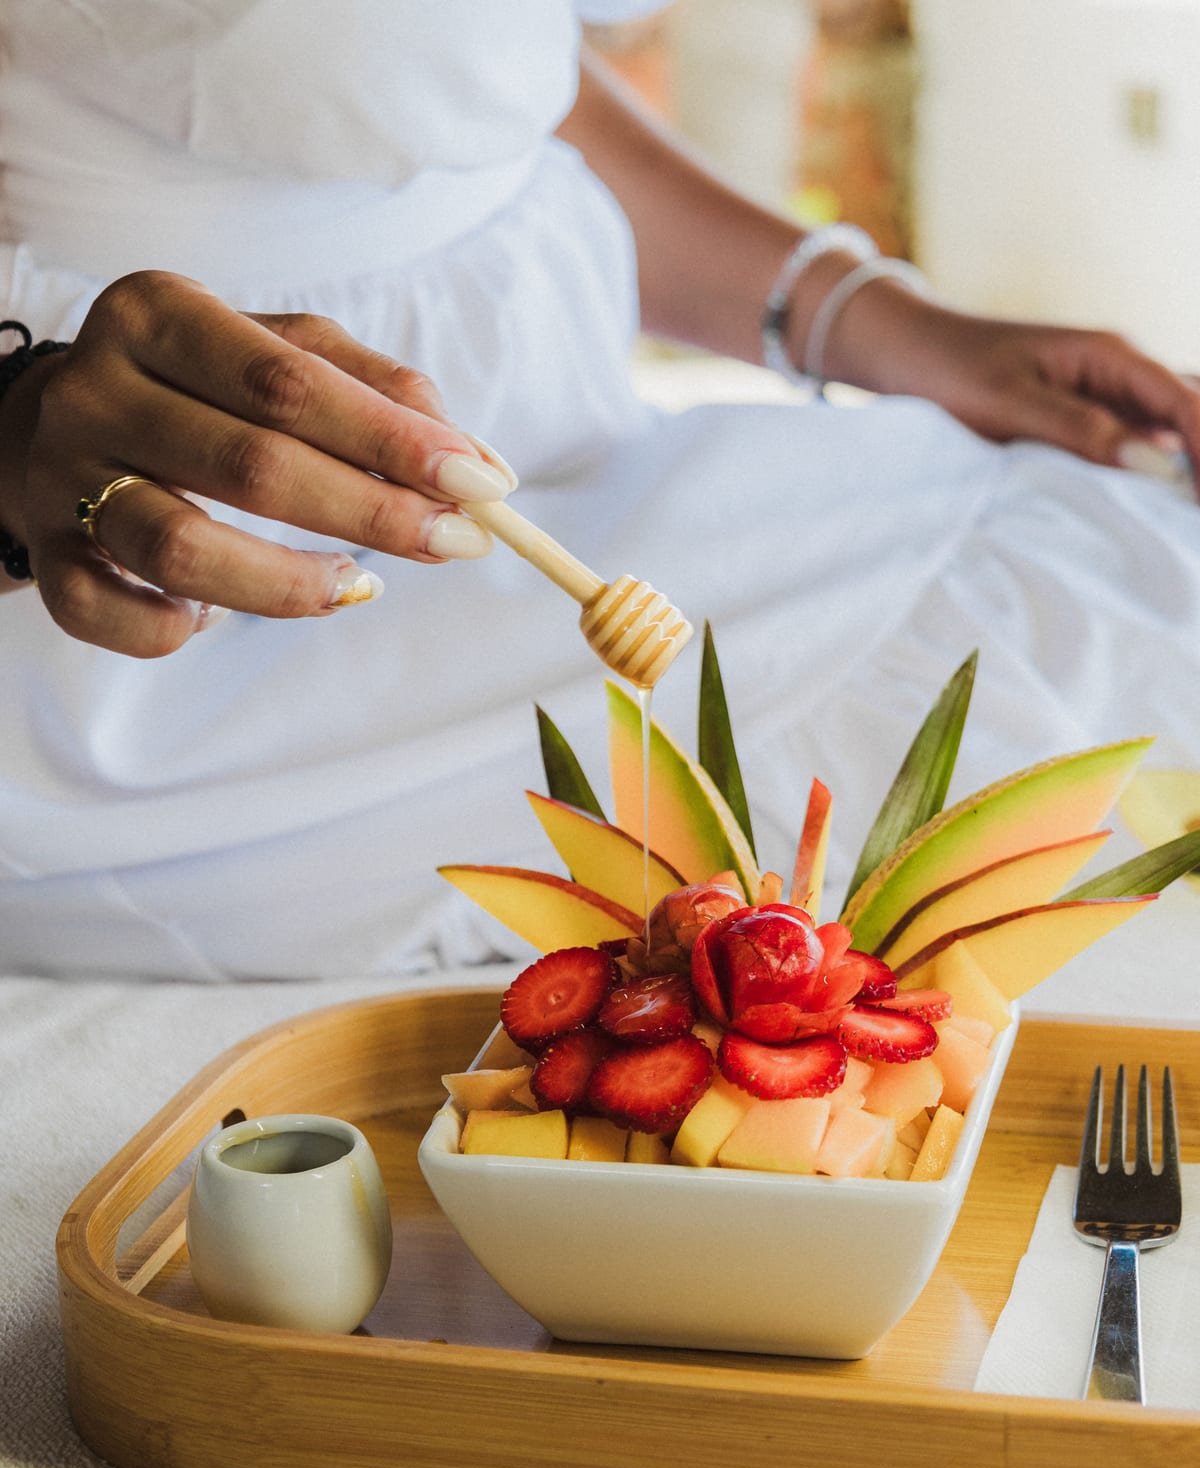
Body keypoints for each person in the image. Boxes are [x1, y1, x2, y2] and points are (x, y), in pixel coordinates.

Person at [1, 0, 1198, 981]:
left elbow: (481, 83)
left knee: (1119, 548)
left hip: (568, 454)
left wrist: (882, 325)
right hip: (152, 584)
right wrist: (15, 423)